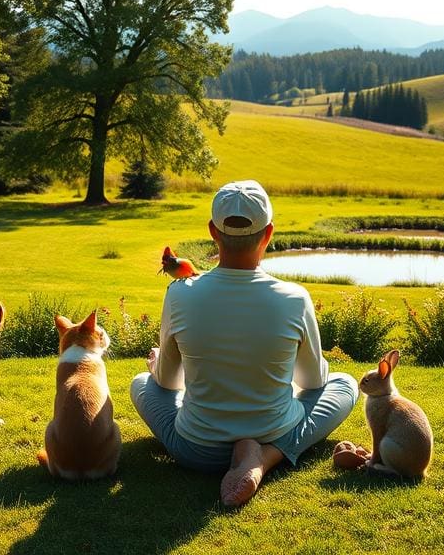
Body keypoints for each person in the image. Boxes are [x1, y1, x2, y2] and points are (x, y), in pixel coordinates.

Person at [130, 180, 359, 506]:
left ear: (213, 231)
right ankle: (266, 457)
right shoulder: (295, 298)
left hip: (197, 451)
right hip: (275, 431)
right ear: (268, 233)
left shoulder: (179, 294)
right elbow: (314, 381)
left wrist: (156, 367)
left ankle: (259, 455)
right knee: (346, 385)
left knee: (142, 383)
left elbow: (168, 382)